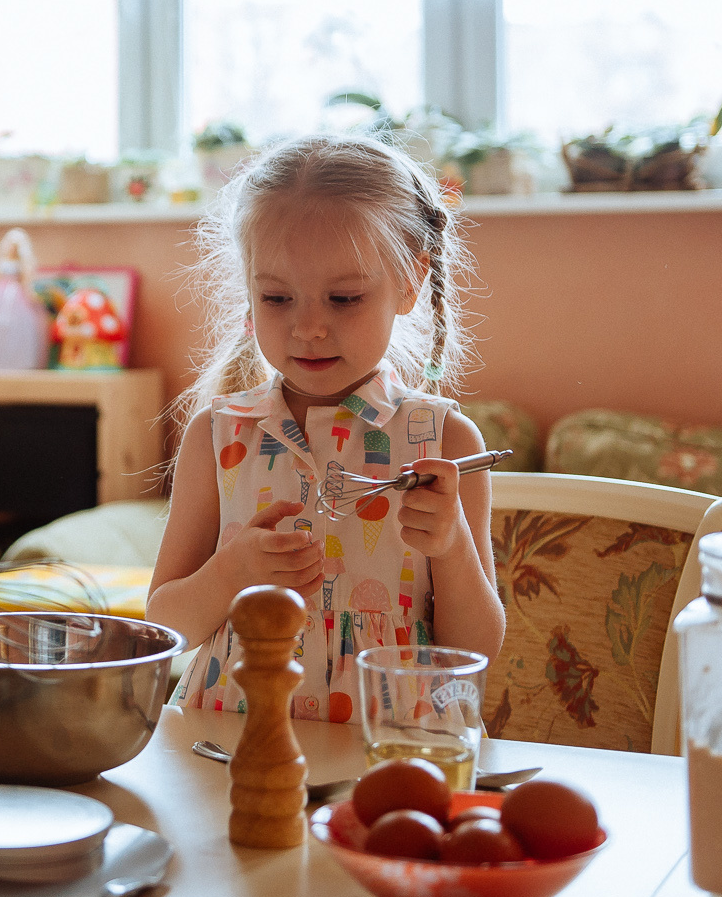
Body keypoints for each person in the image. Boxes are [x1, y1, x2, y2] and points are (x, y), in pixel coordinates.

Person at [146, 134, 503, 721]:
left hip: (391, 753)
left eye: (343, 298)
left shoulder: (445, 443)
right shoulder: (217, 436)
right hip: (233, 752)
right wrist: (231, 573)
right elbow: (164, 631)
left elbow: (476, 651)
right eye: (277, 297)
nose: (308, 327)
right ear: (249, 292)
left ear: (410, 282)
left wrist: (452, 543)